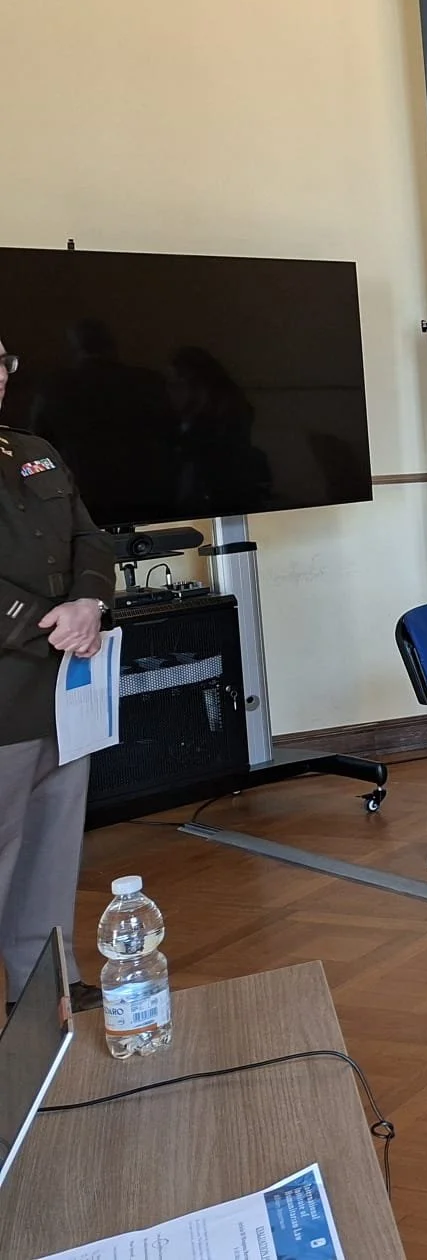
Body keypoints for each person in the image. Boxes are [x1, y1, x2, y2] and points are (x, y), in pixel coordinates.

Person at [0, 341, 115, 1009]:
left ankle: (44, 986)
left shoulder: (30, 447)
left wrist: (90, 603)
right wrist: (52, 621)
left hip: (66, 687)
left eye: (3, 365)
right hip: (7, 688)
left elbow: (89, 537)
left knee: (52, 841)